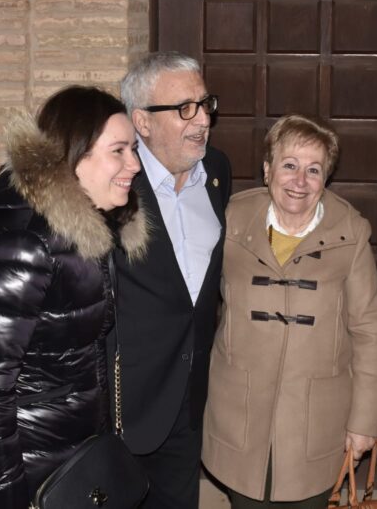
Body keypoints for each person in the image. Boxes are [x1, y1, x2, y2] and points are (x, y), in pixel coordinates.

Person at [0, 86, 149, 509]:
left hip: (66, 459)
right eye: (119, 151)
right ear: (74, 156)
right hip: (21, 472)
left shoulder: (87, 234)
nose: (135, 164)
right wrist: (4, 498)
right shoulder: (25, 245)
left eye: (134, 150)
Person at [202, 114, 377, 508]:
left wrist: (364, 421)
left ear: (326, 179)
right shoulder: (230, 219)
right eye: (289, 165)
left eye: (313, 170)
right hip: (240, 409)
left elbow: (369, 330)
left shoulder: (351, 232)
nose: (299, 181)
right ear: (267, 170)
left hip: (316, 418)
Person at [112, 52, 233, 509]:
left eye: (205, 104)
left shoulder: (217, 171)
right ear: (142, 121)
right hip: (125, 406)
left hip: (190, 399)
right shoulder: (115, 181)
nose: (203, 120)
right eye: (185, 108)